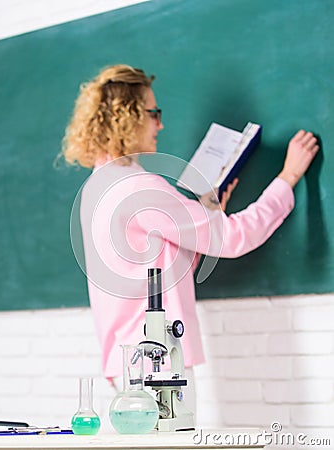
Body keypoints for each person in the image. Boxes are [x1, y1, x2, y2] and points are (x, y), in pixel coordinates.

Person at [62, 64, 319, 417]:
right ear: (130, 117)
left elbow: (153, 266)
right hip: (158, 361)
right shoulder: (139, 187)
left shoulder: (99, 186)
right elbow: (232, 238)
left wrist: (203, 213)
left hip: (128, 362)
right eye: (154, 113)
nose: (160, 124)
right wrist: (287, 178)